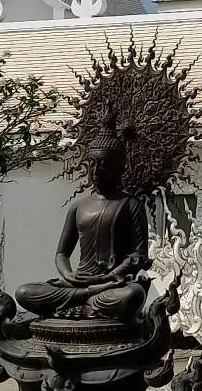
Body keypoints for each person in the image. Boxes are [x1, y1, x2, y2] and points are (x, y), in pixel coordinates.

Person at [16, 129, 149, 323]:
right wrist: (69, 275)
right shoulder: (79, 206)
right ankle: (87, 295)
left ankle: (88, 296)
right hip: (77, 283)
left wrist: (106, 278)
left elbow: (138, 256)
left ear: (119, 167)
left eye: (103, 164)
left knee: (133, 295)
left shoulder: (131, 205)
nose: (95, 171)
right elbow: (62, 254)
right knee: (24, 292)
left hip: (112, 285)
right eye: (92, 164)